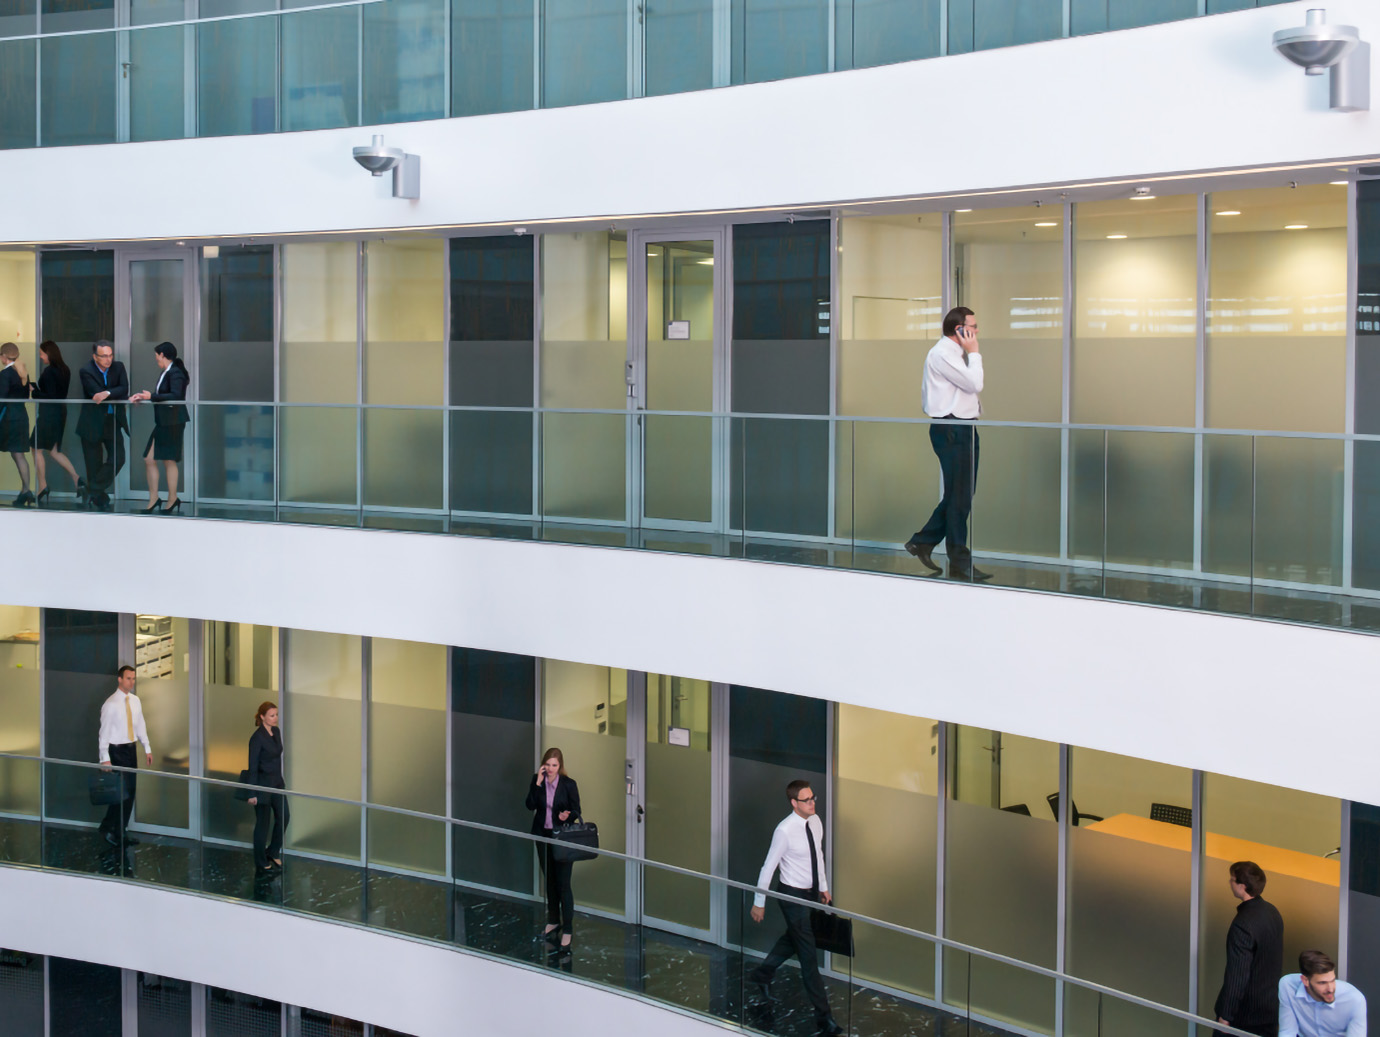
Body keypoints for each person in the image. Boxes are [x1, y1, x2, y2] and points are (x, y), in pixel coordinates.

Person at [748, 779, 842, 1036]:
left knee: (794, 938)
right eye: (806, 800)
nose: (812, 803)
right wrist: (759, 902)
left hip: (811, 893)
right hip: (790, 895)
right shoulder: (785, 830)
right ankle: (824, 1018)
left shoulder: (816, 821)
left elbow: (818, 855)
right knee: (808, 955)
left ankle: (762, 973)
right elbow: (768, 867)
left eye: (813, 798)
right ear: (794, 803)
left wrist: (823, 887)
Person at [904, 306, 989, 582]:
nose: (976, 332)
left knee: (959, 495)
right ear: (959, 329)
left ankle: (924, 542)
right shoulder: (942, 354)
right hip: (952, 428)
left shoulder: (953, 354)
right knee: (960, 497)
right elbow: (975, 383)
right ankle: (958, 562)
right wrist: (974, 351)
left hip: (962, 427)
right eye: (972, 327)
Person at [1215, 860, 1285, 1036]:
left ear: (1242, 886)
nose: (1230, 883)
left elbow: (1237, 974)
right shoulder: (1272, 912)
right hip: (1269, 1010)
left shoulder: (1242, 924)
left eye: (1232, 879)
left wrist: (1225, 1015)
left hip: (1244, 1016)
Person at [525, 747, 581, 952]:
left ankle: (568, 928)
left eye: (554, 765)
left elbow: (577, 810)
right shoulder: (537, 781)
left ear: (560, 766)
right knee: (549, 880)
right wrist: (538, 784)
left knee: (563, 884)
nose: (550, 769)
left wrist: (569, 815)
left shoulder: (568, 784)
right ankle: (553, 920)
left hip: (562, 838)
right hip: (542, 836)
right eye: (547, 765)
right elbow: (530, 805)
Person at [97, 665, 153, 849]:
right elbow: (103, 733)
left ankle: (120, 831)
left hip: (131, 749)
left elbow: (140, 724)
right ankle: (110, 829)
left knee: (129, 793)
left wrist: (147, 747)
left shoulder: (135, 701)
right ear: (119, 679)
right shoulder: (110, 704)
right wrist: (104, 757)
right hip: (116, 751)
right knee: (120, 793)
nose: (131, 681)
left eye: (133, 678)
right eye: (128, 678)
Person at [131, 341, 189, 514]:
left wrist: (152, 396)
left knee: (169, 459)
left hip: (172, 421)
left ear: (163, 354)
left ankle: (172, 499)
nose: (155, 358)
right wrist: (146, 397)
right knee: (149, 459)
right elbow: (162, 395)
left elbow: (176, 395)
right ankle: (154, 498)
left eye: (157, 355)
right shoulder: (166, 372)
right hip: (163, 421)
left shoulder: (175, 372)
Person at [77, 339, 130, 511]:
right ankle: (99, 499)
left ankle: (90, 490)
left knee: (118, 458)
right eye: (103, 356)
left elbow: (124, 388)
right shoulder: (86, 370)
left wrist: (107, 392)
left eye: (110, 355)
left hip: (112, 420)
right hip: (91, 422)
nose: (108, 359)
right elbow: (95, 393)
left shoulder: (119, 367)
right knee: (93, 465)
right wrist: (111, 393)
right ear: (95, 357)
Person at [28, 340, 82, 506]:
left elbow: (50, 396)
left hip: (49, 415)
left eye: (42, 353)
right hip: (60, 413)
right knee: (54, 451)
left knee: (35, 447)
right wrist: (39, 390)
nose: (41, 356)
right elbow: (56, 394)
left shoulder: (50, 371)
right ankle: (78, 479)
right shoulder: (64, 369)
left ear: (48, 353)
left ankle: (43, 485)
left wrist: (34, 391)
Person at [1278, 949, 1367, 1037]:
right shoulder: (1288, 986)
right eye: (1322, 983)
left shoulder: (1354, 999)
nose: (1330, 989)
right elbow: (1287, 1031)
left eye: (1332, 980)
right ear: (1305, 980)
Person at [246, 701, 288, 874]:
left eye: (276, 714)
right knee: (263, 824)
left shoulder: (276, 731)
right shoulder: (256, 738)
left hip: (277, 783)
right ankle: (261, 860)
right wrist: (252, 792)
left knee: (284, 817)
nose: (275, 718)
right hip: (262, 786)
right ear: (262, 717)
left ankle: (272, 851)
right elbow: (252, 766)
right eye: (272, 715)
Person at [0, 343, 34, 506]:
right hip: (21, 416)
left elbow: (1, 398)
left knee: (17, 454)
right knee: (18, 454)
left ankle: (26, 490)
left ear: (4, 357)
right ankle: (26, 490)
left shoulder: (5, 374)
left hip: (8, 418)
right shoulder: (23, 373)